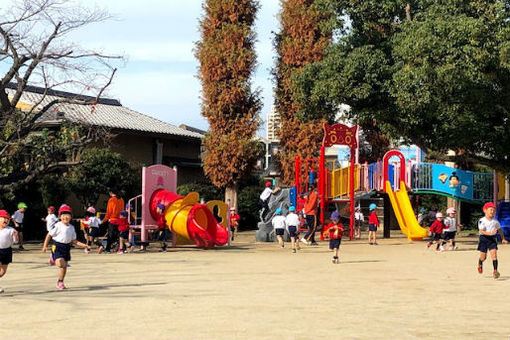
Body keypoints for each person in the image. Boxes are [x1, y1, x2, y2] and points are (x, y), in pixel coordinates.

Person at [42, 205, 89, 290]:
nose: (65, 217)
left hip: (67, 247)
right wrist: (45, 246)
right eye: (63, 215)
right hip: (57, 246)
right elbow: (49, 235)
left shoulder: (71, 228)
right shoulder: (58, 225)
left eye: (68, 215)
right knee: (61, 263)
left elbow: (74, 240)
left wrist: (84, 245)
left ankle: (60, 281)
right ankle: (53, 257)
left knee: (64, 267)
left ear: (71, 217)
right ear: (60, 217)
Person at [477, 202, 508, 279]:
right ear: (485, 210)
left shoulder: (495, 221)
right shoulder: (482, 220)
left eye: (494, 210)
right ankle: (480, 263)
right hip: (483, 239)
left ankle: (495, 271)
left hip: (492, 239)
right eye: (490, 210)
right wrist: (490, 233)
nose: (492, 212)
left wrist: (503, 238)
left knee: (494, 255)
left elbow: (499, 230)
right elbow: (481, 231)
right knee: (483, 257)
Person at [0, 210, 18, 294]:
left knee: (3, 271)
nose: (6, 220)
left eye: (7, 219)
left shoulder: (10, 230)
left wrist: (15, 236)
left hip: (7, 251)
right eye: (3, 218)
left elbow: (15, 242)